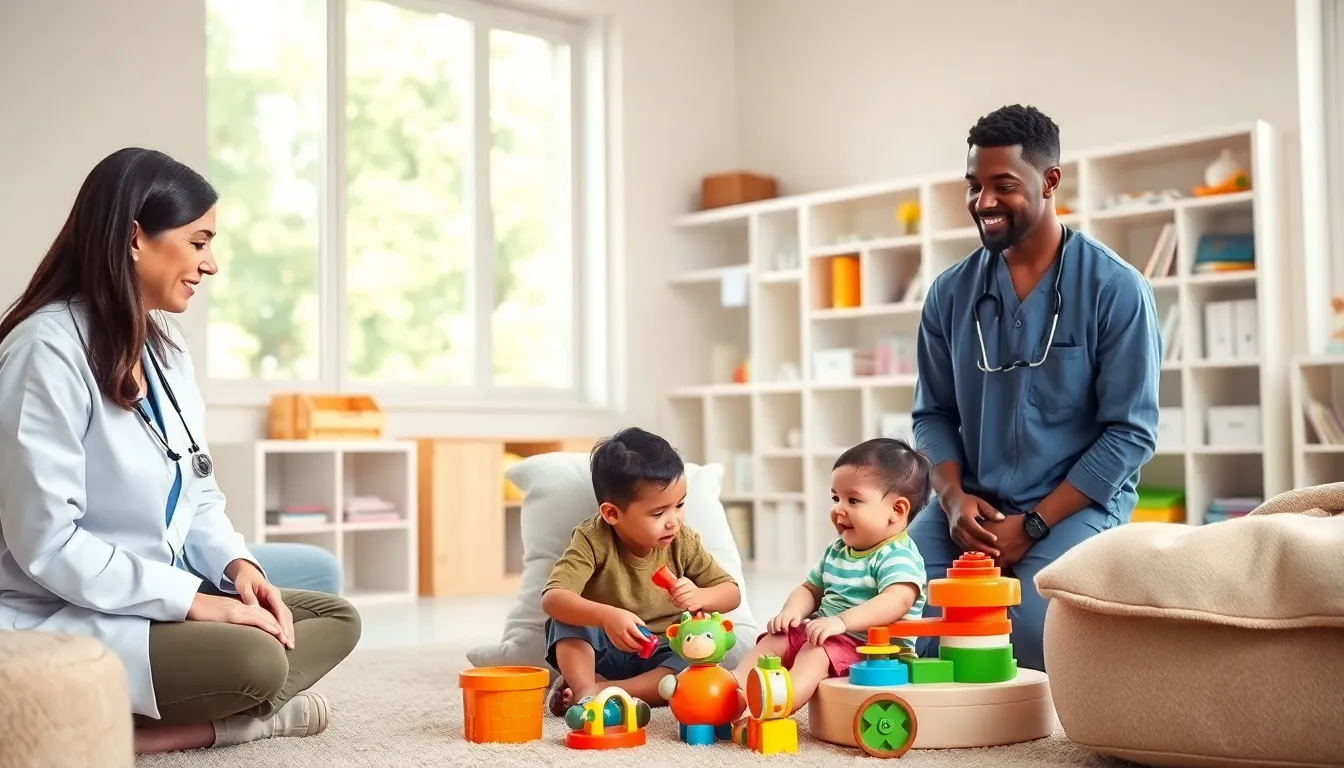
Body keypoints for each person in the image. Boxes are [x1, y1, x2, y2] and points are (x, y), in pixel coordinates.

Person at [0, 147, 361, 755]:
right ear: (136, 237)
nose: (211, 264)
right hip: (62, 610)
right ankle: (220, 726)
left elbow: (197, 490)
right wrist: (193, 603)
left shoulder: (164, 351)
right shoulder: (46, 352)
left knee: (333, 619)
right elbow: (48, 545)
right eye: (199, 243)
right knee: (257, 660)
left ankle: (138, 717)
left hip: (153, 598)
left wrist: (236, 570)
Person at [910, 104, 1161, 672]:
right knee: (909, 618)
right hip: (971, 504)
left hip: (1074, 504)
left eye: (1004, 185)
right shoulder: (949, 294)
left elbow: (1131, 434)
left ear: (1050, 182)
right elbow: (932, 414)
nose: (984, 203)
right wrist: (951, 500)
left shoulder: (1116, 288)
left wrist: (1036, 523)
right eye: (974, 186)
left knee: (1024, 641)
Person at [540, 427, 742, 717]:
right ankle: (585, 689)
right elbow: (553, 598)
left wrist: (701, 596)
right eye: (659, 513)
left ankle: (604, 691)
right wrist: (606, 616)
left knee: (692, 662)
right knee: (564, 620)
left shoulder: (683, 541)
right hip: (603, 648)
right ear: (612, 514)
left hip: (661, 649)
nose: (673, 521)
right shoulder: (592, 539)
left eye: (680, 505)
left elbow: (731, 593)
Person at [731, 438, 930, 715]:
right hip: (825, 633)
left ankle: (775, 703)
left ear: (896, 511)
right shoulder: (838, 550)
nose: (838, 509)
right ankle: (735, 687)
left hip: (873, 649)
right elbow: (810, 588)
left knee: (813, 655)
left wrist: (842, 621)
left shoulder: (898, 555)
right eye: (836, 498)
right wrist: (792, 611)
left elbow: (896, 602)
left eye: (853, 500)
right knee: (774, 640)